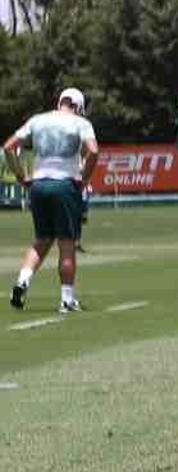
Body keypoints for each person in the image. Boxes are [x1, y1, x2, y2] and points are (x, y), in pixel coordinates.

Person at [6, 88, 97, 313]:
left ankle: (22, 281)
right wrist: (84, 179)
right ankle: (67, 298)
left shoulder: (38, 120)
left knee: (41, 240)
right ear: (77, 107)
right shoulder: (80, 123)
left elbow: (9, 147)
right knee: (66, 244)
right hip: (65, 185)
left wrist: (21, 176)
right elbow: (93, 151)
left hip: (39, 185)